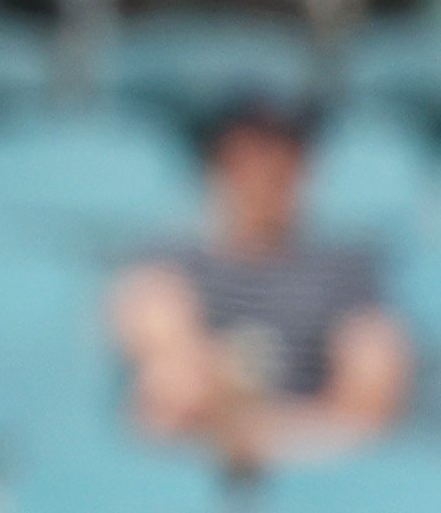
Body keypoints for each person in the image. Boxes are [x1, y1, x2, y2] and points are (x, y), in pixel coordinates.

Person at [115, 101, 412, 476]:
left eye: (284, 155)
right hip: (199, 448)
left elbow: (372, 385)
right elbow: (167, 362)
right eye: (250, 155)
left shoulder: (348, 269)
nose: (266, 170)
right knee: (169, 386)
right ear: (220, 165)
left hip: (316, 449)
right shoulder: (170, 260)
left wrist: (270, 433)